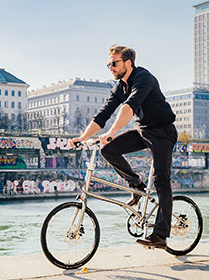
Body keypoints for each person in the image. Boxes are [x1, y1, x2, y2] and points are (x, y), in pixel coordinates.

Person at [70, 45, 177, 249]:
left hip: (163, 132)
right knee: (107, 150)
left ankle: (160, 235)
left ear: (128, 63)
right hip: (143, 131)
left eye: (114, 63)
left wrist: (112, 133)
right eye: (108, 63)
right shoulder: (120, 87)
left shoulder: (143, 78)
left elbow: (129, 107)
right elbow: (103, 114)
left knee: (162, 181)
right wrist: (81, 137)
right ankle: (136, 185)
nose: (110, 67)